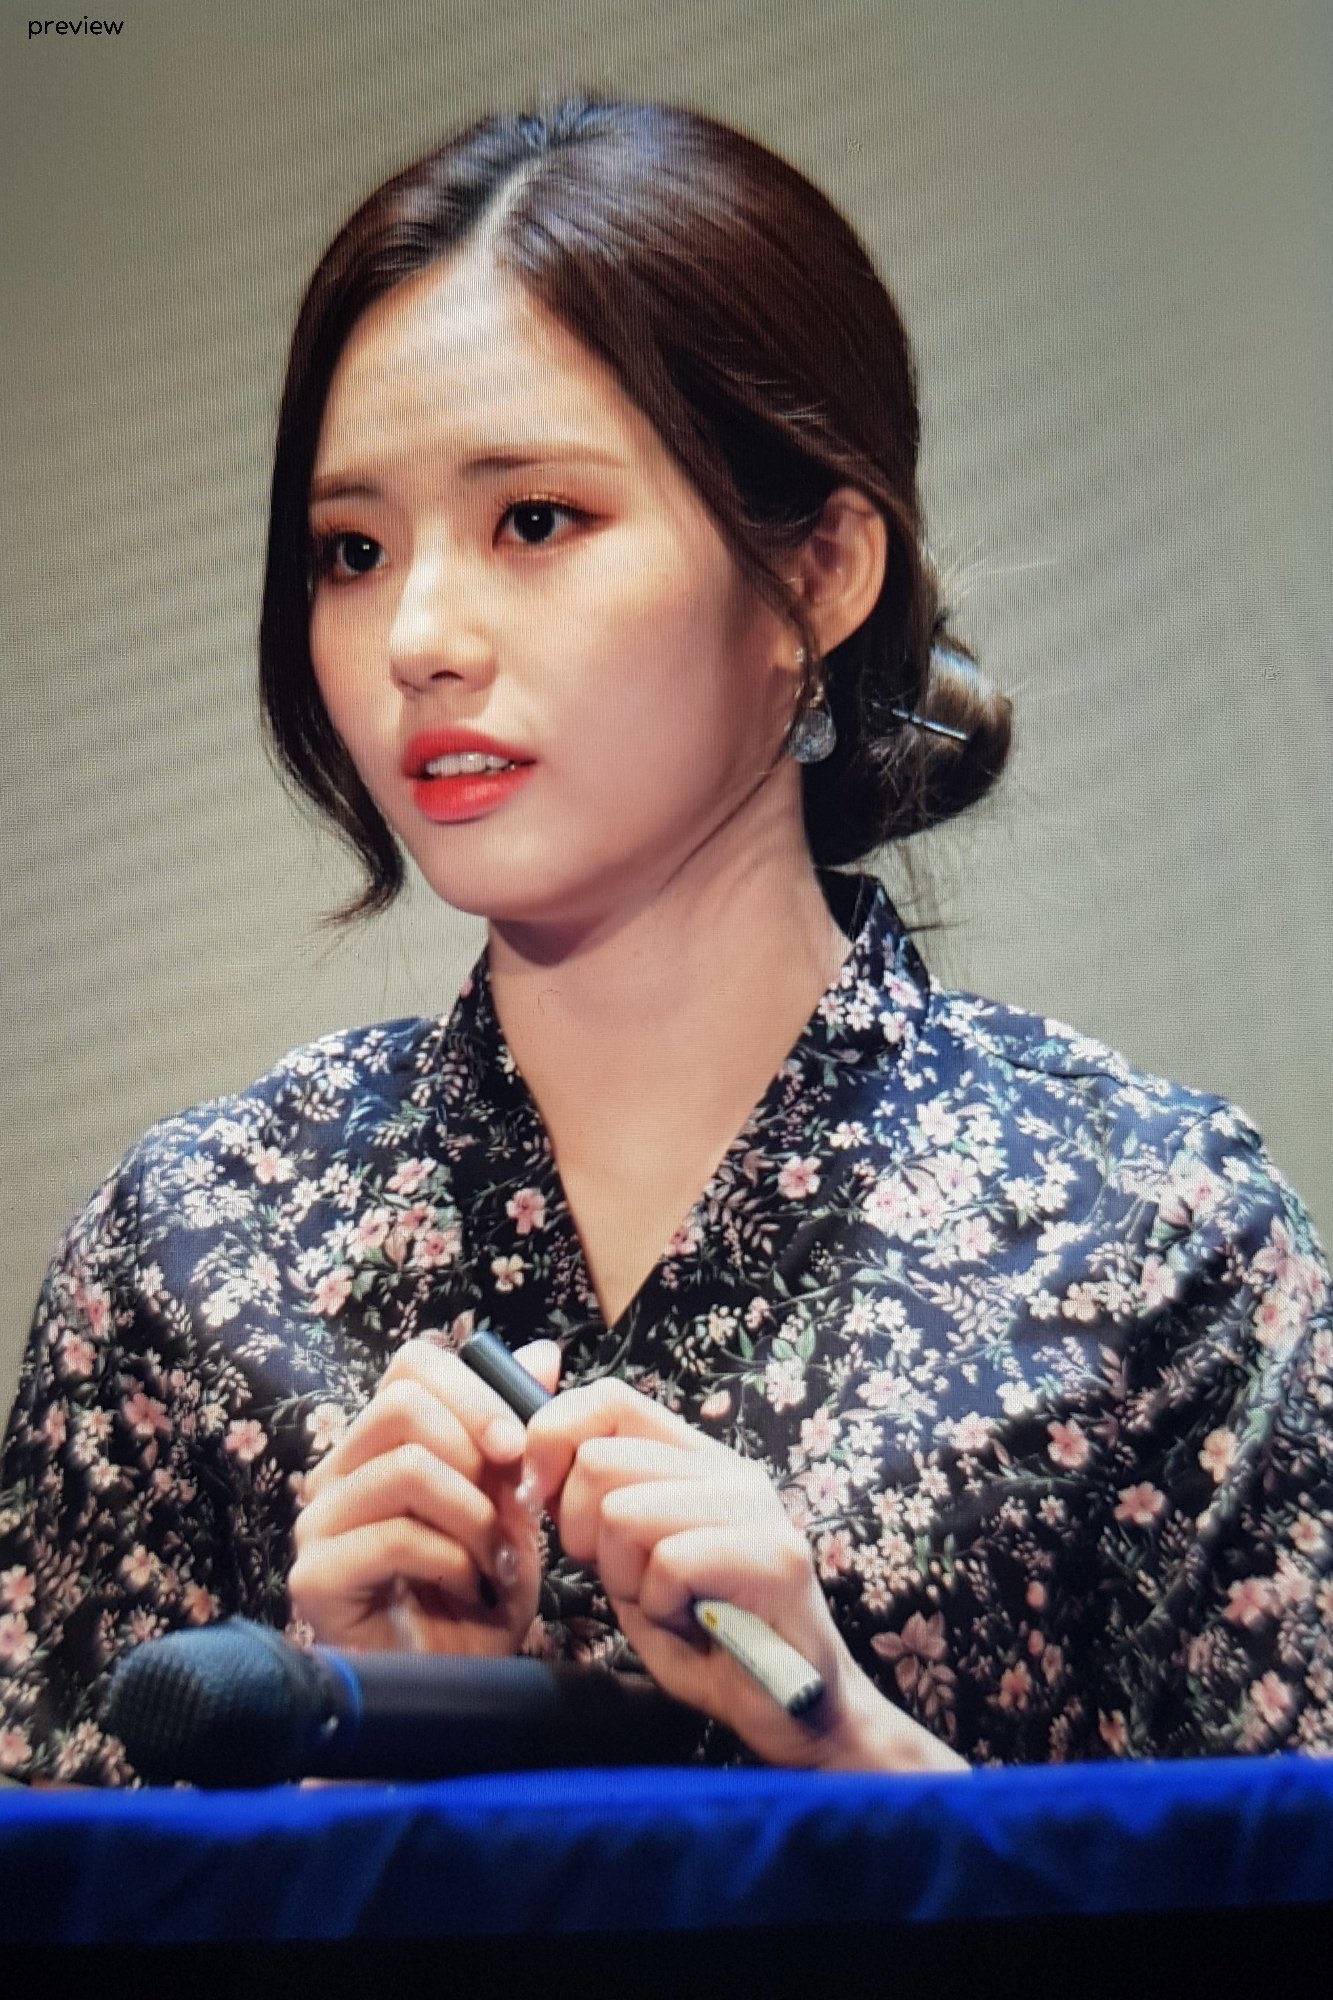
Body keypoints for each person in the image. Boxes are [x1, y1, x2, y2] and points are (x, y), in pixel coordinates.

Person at [1, 95, 1330, 1786]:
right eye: (351, 550)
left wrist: (846, 1739)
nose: (416, 636)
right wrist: (342, 1773)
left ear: (819, 572)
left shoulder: (1155, 1240)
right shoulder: (190, 1252)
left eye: (533, 520)